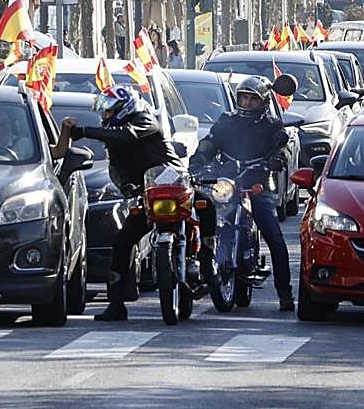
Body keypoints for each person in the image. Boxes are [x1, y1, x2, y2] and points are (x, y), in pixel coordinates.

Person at [61, 86, 213, 321]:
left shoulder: (145, 120)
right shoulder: (111, 135)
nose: (105, 116)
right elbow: (116, 168)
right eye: (104, 112)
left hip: (174, 184)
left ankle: (207, 262)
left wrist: (84, 131)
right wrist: (126, 188)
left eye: (109, 111)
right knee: (122, 242)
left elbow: (128, 134)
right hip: (148, 193)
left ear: (124, 108)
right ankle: (116, 304)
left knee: (207, 204)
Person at [191, 75, 296, 311]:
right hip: (226, 182)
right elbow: (210, 142)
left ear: (264, 102)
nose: (247, 104)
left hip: (256, 183)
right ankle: (198, 275)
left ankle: (285, 293)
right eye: (244, 98)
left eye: (253, 100)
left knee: (275, 237)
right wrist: (197, 161)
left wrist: (275, 160)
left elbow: (282, 149)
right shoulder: (226, 121)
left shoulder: (272, 126)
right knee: (203, 223)